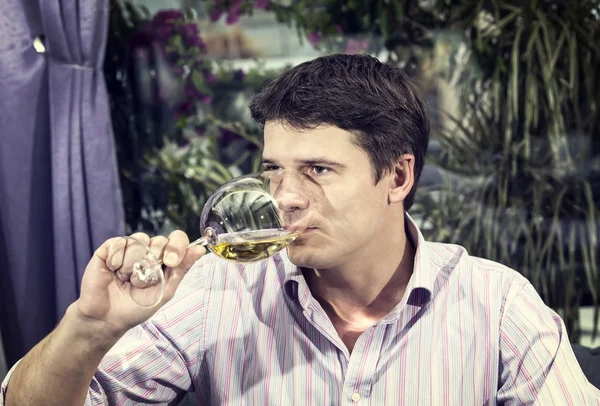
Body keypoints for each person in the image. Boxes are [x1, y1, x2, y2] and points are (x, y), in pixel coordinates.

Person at [2, 54, 600, 405]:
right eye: (274, 171)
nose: (285, 198)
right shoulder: (219, 291)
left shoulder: (497, 306)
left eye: (318, 170)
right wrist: (88, 329)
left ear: (397, 176)